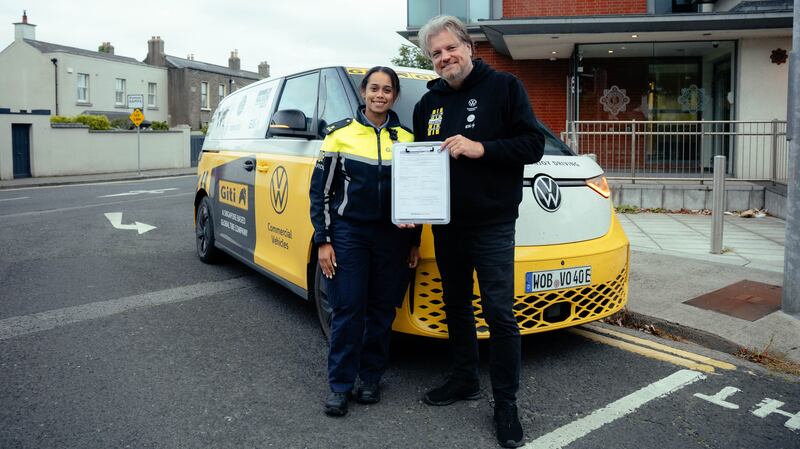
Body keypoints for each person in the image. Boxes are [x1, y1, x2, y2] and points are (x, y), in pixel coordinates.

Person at [411, 16, 545, 448]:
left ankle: (505, 403)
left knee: (499, 313)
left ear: (469, 47)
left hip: (492, 222)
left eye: (450, 48)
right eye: (436, 53)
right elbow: (419, 165)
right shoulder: (426, 106)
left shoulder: (505, 88)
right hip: (447, 224)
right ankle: (464, 377)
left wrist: (480, 148)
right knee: (455, 305)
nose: (445, 57)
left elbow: (533, 145)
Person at [309, 66, 421, 417]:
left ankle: (370, 378)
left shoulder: (406, 138)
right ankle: (340, 386)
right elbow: (320, 193)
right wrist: (324, 241)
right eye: (374, 88)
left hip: (393, 237)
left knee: (382, 311)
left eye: (387, 90)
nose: (380, 95)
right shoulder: (339, 136)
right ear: (363, 92)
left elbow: (416, 195)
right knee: (347, 309)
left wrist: (415, 241)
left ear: (395, 96)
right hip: (350, 234)